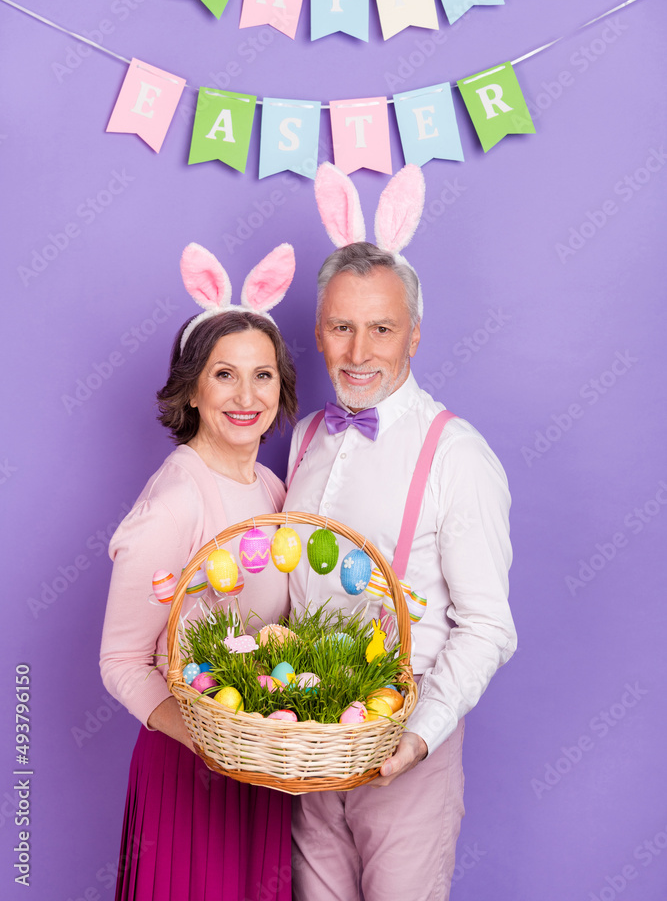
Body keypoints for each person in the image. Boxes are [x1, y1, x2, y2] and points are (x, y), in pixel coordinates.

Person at [284, 163, 517, 901]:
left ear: (412, 334)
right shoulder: (301, 438)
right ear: (317, 333)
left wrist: (418, 734)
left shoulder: (457, 455)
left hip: (408, 752)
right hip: (308, 746)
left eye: (380, 328)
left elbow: (487, 626)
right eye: (341, 327)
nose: (359, 352)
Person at [100, 242, 298, 901]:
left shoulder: (273, 488)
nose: (246, 396)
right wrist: (206, 743)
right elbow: (123, 659)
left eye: (262, 375)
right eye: (223, 374)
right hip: (191, 770)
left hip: (260, 767)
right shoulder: (178, 498)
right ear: (190, 386)